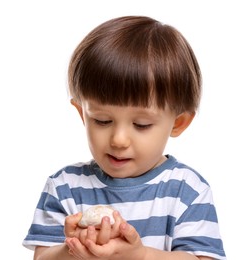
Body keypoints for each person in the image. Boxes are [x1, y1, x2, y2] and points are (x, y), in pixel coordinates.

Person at [23, 15, 226, 260]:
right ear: (82, 114)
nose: (119, 140)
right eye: (102, 120)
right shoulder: (65, 187)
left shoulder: (187, 190)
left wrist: (139, 255)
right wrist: (74, 248)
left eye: (141, 124)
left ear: (178, 122)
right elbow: (42, 257)